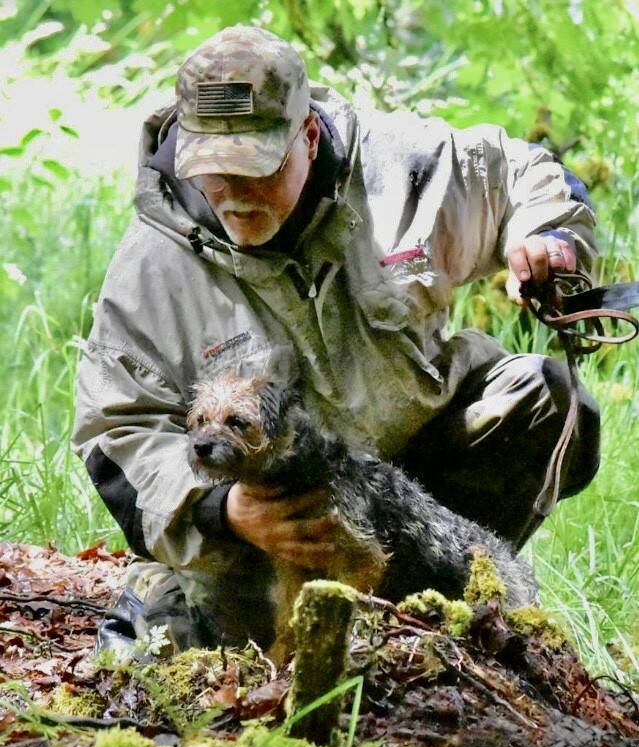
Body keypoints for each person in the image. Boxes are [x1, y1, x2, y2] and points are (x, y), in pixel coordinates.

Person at [72, 25, 600, 655]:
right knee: (171, 658)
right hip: (266, 518)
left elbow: (533, 176)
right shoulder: (148, 274)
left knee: (546, 397)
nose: (235, 198)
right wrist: (225, 513)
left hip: (413, 473)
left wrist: (545, 240)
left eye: (256, 171)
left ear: (309, 135)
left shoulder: (401, 169)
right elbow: (116, 444)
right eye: (214, 174)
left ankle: (434, 612)